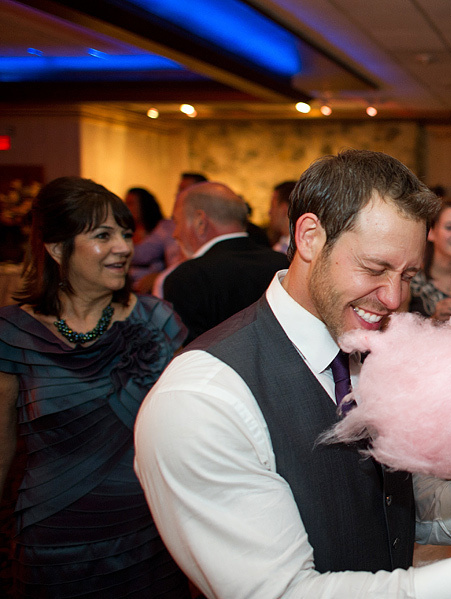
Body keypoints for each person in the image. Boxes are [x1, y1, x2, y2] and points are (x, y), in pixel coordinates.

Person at [134, 149, 451, 599]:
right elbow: (281, 592)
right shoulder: (201, 399)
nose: (392, 297)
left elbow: (383, 503)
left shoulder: (368, 353)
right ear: (309, 236)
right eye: (375, 268)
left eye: (408, 275)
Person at [0, 177, 189, 597]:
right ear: (55, 247)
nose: (124, 246)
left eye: (125, 233)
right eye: (103, 235)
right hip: (52, 541)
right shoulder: (12, 334)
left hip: (149, 537)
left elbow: (187, 433)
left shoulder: (159, 321)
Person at [163, 181, 289, 342]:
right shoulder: (283, 263)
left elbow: (189, 358)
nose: (174, 234)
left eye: (176, 222)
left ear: (201, 222)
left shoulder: (186, 278)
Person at [124, 187, 181, 284]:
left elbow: (144, 254)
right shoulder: (126, 229)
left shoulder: (164, 228)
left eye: (130, 203)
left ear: (143, 205)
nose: (126, 208)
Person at [269, 180, 295, 254]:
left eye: (272, 206)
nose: (269, 212)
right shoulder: (280, 246)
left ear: (284, 209)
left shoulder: (299, 248)